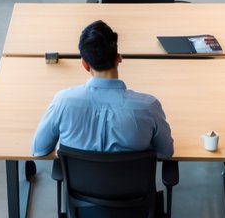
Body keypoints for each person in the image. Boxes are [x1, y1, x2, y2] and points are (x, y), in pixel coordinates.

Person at [32, 20, 174, 158]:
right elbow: (165, 152)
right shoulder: (148, 106)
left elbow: (39, 149)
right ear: (119, 58)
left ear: (85, 65)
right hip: (131, 181)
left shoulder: (63, 102)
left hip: (80, 182)